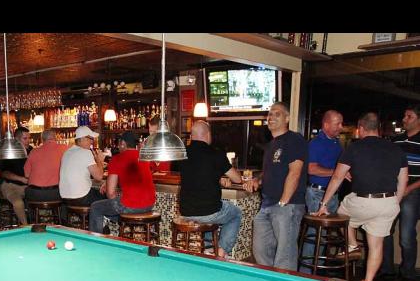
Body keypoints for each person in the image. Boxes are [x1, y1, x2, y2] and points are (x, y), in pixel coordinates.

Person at [313, 112, 408, 281]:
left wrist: (323, 204)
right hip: (389, 203)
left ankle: (352, 245)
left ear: (361, 128)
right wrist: (396, 202)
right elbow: (403, 180)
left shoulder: (354, 148)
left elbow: (337, 177)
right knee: (376, 245)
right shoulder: (396, 149)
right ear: (378, 129)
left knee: (341, 212)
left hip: (363, 201)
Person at [245, 102, 308, 271]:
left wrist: (283, 203)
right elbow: (270, 172)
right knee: (260, 251)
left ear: (287, 118)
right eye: (270, 114)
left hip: (287, 205)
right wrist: (258, 180)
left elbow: (295, 172)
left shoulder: (294, 140)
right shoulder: (271, 145)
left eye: (277, 114)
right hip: (266, 205)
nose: (271, 117)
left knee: (284, 256)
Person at [173, 121, 242, 258]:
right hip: (209, 211)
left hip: (185, 211)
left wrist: (217, 176)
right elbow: (237, 179)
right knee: (235, 213)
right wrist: (221, 174)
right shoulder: (216, 153)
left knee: (210, 214)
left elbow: (196, 172)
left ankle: (209, 250)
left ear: (191, 136)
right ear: (208, 135)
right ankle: (222, 250)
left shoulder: (181, 153)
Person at [300, 110, 345, 273]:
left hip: (332, 195)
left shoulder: (336, 143)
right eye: (337, 123)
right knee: (315, 235)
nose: (341, 127)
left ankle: (316, 271)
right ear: (326, 125)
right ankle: (306, 274)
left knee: (323, 236)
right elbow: (311, 169)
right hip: (317, 194)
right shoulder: (316, 143)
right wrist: (338, 173)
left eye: (341, 123)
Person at [382, 105, 420, 281]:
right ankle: (387, 269)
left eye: (409, 116)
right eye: (404, 115)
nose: (404, 119)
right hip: (393, 190)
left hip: (412, 191)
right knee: (385, 230)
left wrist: (409, 188)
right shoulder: (396, 140)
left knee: (406, 235)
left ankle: (408, 273)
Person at [89, 131, 156, 234]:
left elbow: (110, 194)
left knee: (96, 207)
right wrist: (108, 183)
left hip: (131, 206)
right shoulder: (144, 157)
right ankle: (113, 225)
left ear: (123, 143)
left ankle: (96, 239)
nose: (118, 146)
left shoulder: (116, 159)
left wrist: (111, 187)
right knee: (116, 206)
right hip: (150, 204)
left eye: (119, 143)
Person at [24, 128, 67, 218]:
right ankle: (61, 221)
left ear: (42, 140)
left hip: (35, 193)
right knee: (66, 194)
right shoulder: (65, 149)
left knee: (26, 193)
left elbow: (26, 174)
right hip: (56, 193)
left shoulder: (33, 151)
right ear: (55, 138)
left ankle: (32, 220)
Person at [59, 125, 106, 206]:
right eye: (91, 138)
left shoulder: (67, 152)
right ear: (83, 138)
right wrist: (100, 161)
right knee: (108, 197)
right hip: (81, 198)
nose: (92, 142)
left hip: (65, 199)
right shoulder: (85, 152)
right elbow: (99, 177)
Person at [0, 126, 33, 225]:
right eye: (25, 138)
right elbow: (4, 173)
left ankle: (36, 224)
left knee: (38, 199)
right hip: (10, 185)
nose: (28, 141)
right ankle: (25, 226)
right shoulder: (9, 151)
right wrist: (21, 179)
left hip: (27, 186)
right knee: (18, 203)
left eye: (29, 138)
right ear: (16, 139)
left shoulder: (30, 150)